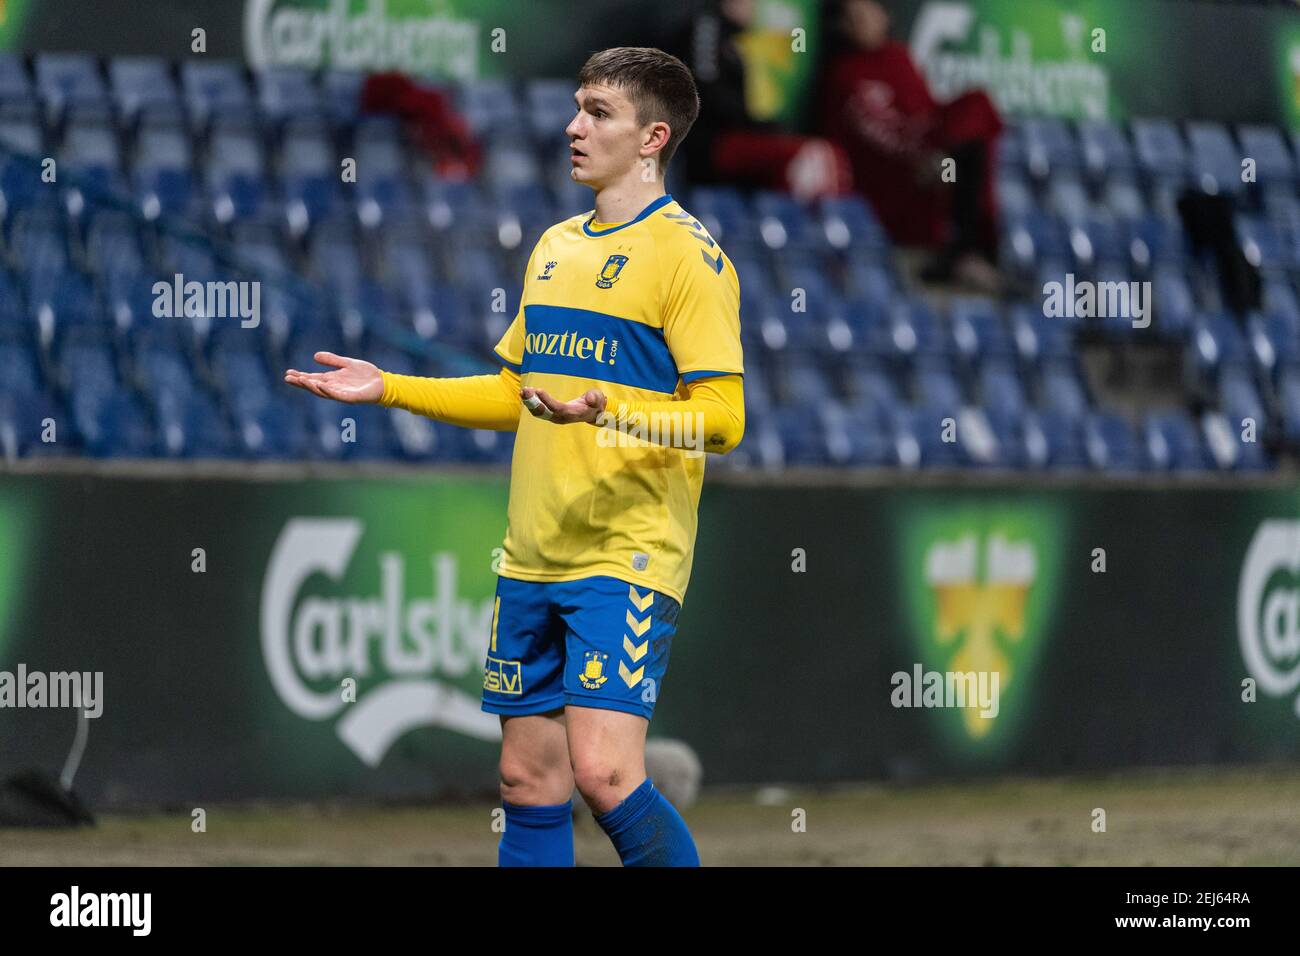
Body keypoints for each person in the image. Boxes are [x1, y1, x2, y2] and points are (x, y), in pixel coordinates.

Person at [283, 47, 745, 867]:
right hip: (533, 552)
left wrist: (619, 412)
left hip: (626, 554)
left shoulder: (689, 257)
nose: (573, 126)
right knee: (529, 780)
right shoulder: (556, 246)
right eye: (577, 106)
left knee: (603, 773)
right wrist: (388, 387)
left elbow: (722, 421)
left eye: (599, 112)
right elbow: (513, 393)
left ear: (652, 137)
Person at [817, 0, 1003, 291]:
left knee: (976, 110)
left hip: (933, 162)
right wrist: (920, 156)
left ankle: (966, 249)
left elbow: (924, 112)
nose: (865, 21)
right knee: (953, 160)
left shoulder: (897, 57)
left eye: (870, 12)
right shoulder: (842, 74)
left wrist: (936, 151)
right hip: (887, 182)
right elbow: (864, 138)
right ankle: (960, 251)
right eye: (854, 17)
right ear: (841, 25)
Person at [669, 0, 851, 199]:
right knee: (810, 153)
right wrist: (755, 124)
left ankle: (806, 223)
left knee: (825, 153)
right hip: (708, 143)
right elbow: (705, 92)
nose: (755, 9)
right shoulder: (707, 26)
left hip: (732, 135)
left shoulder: (735, 39)